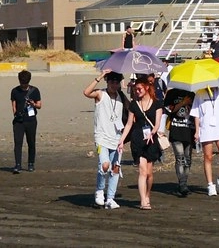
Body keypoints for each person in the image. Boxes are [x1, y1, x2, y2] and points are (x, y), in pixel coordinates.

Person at [83, 69, 128, 210]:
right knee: (105, 165)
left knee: (115, 168)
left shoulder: (121, 96)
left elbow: (132, 108)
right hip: (102, 137)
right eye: (112, 82)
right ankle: (99, 190)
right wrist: (101, 76)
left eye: (117, 82)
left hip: (116, 137)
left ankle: (110, 198)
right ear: (107, 82)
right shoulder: (100, 94)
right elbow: (86, 92)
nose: (114, 85)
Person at [191, 78, 219, 196]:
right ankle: (210, 185)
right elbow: (196, 113)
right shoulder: (200, 94)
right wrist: (197, 130)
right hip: (206, 128)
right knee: (208, 157)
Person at [124, 75, 163, 209]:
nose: (137, 91)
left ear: (146, 87)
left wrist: (153, 132)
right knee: (142, 171)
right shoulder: (134, 105)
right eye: (135, 89)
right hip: (137, 139)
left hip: (151, 140)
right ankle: (142, 201)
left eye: (139, 88)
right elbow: (129, 124)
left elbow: (157, 124)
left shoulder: (157, 103)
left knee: (149, 174)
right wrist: (121, 140)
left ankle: (147, 195)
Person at [163, 88, 196, 196]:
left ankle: (184, 182)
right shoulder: (172, 93)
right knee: (180, 158)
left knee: (188, 159)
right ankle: (182, 185)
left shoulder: (192, 94)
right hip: (176, 129)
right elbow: (169, 110)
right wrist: (183, 102)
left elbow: (197, 113)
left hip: (189, 130)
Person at [10, 69, 42, 173]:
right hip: (19, 121)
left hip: (31, 120)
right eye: (22, 83)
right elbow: (13, 105)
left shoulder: (35, 90)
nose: (23, 85)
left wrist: (33, 104)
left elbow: (39, 105)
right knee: (18, 143)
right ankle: (18, 164)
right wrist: (15, 114)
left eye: (25, 83)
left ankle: (31, 163)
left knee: (31, 142)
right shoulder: (15, 91)